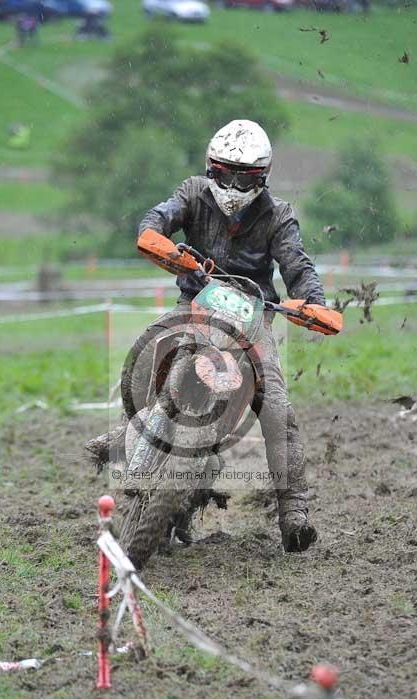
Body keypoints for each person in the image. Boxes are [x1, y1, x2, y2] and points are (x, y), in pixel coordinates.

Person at [95, 120, 329, 554]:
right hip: (194, 304)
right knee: (148, 346)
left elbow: (297, 265)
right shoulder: (192, 193)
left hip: (254, 317)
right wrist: (156, 238)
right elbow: (159, 216)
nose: (234, 185)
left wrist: (311, 301)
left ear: (262, 177)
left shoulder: (278, 215)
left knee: (276, 407)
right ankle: (126, 427)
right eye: (225, 173)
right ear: (211, 168)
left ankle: (293, 511)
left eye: (245, 177)